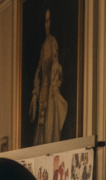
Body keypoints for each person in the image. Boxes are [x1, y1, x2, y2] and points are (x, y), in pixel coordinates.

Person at [29, 9, 68, 146]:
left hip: (50, 94)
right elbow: (39, 70)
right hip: (43, 95)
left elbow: (57, 68)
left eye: (49, 20)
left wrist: (53, 84)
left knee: (50, 135)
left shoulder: (53, 42)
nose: (47, 24)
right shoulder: (44, 45)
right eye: (45, 21)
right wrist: (35, 94)